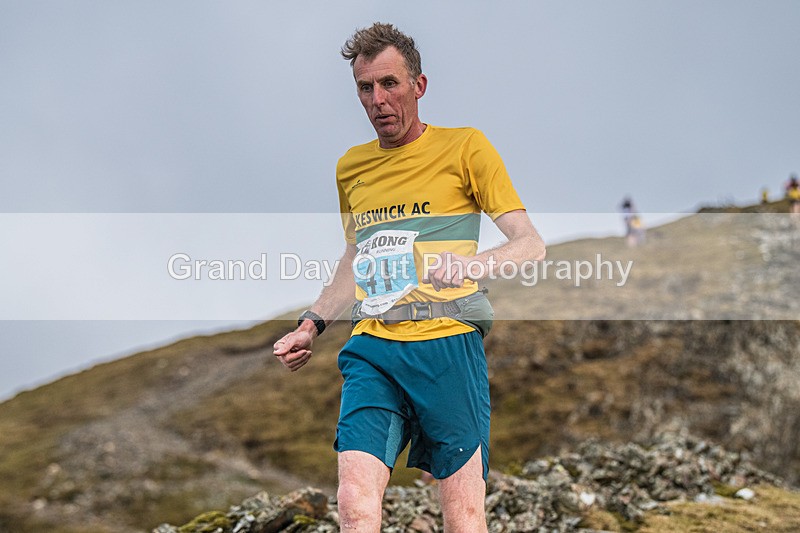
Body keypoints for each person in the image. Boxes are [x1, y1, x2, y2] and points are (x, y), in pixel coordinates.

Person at [272, 23, 545, 531]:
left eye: (390, 84)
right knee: (354, 500)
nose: (378, 99)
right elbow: (355, 260)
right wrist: (311, 325)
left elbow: (530, 244)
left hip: (448, 344)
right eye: (365, 87)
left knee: (463, 515)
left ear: (419, 86)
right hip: (373, 345)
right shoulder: (351, 168)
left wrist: (471, 266)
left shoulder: (465, 148)